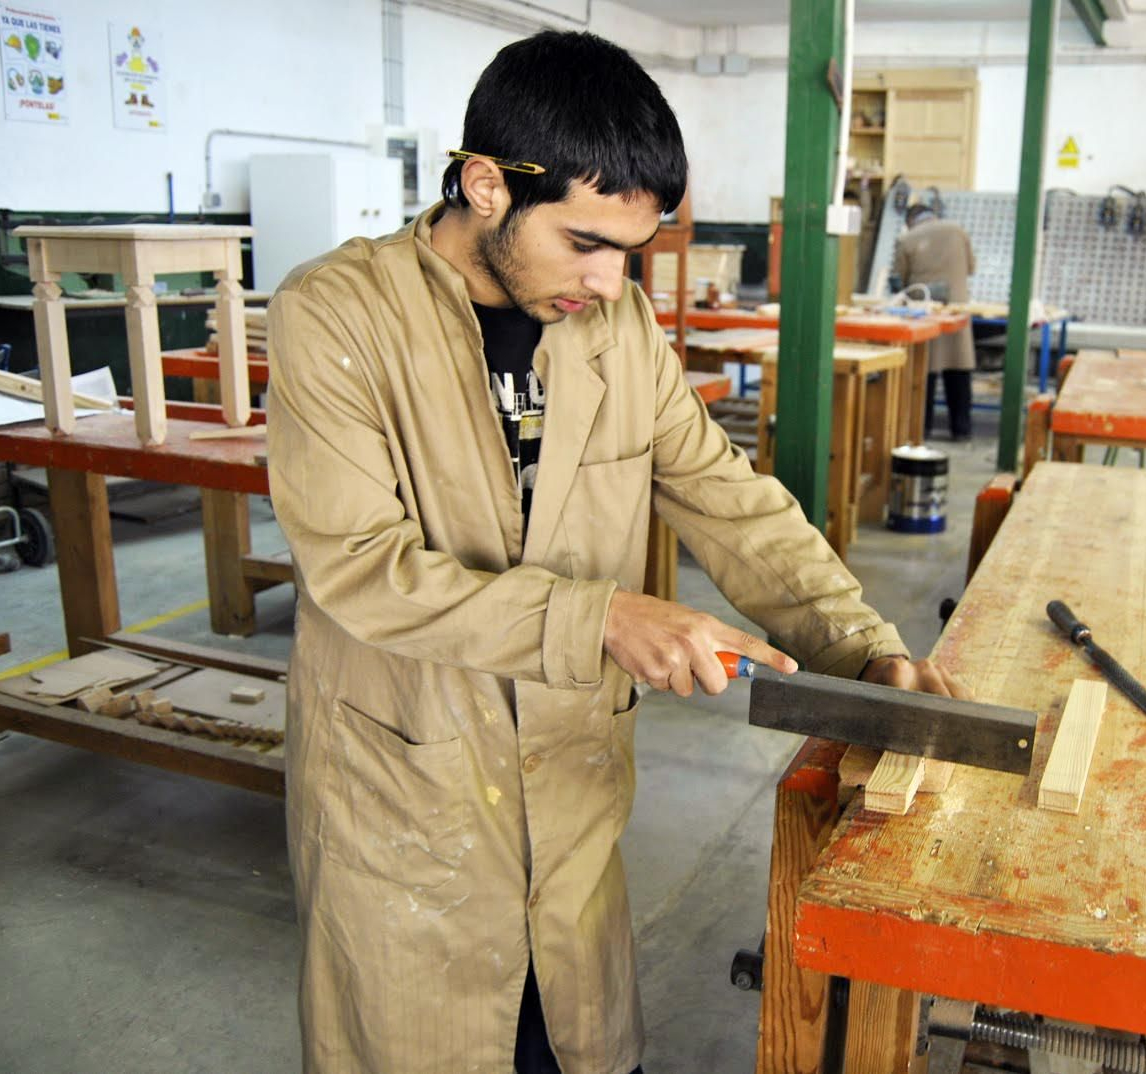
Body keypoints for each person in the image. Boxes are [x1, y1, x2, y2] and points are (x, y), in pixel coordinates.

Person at [265, 30, 961, 1074]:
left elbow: (729, 500)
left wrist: (860, 650)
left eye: (628, 253)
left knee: (579, 1045)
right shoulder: (339, 315)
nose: (607, 279)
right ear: (486, 185)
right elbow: (362, 569)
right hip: (409, 795)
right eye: (585, 243)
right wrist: (600, 617)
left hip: (572, 792)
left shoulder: (616, 327)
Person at [892, 203, 978, 439]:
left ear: (911, 220)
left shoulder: (907, 239)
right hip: (956, 310)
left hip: (924, 312)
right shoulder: (958, 230)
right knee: (959, 371)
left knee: (924, 372)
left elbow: (902, 279)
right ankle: (962, 430)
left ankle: (923, 428)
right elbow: (971, 267)